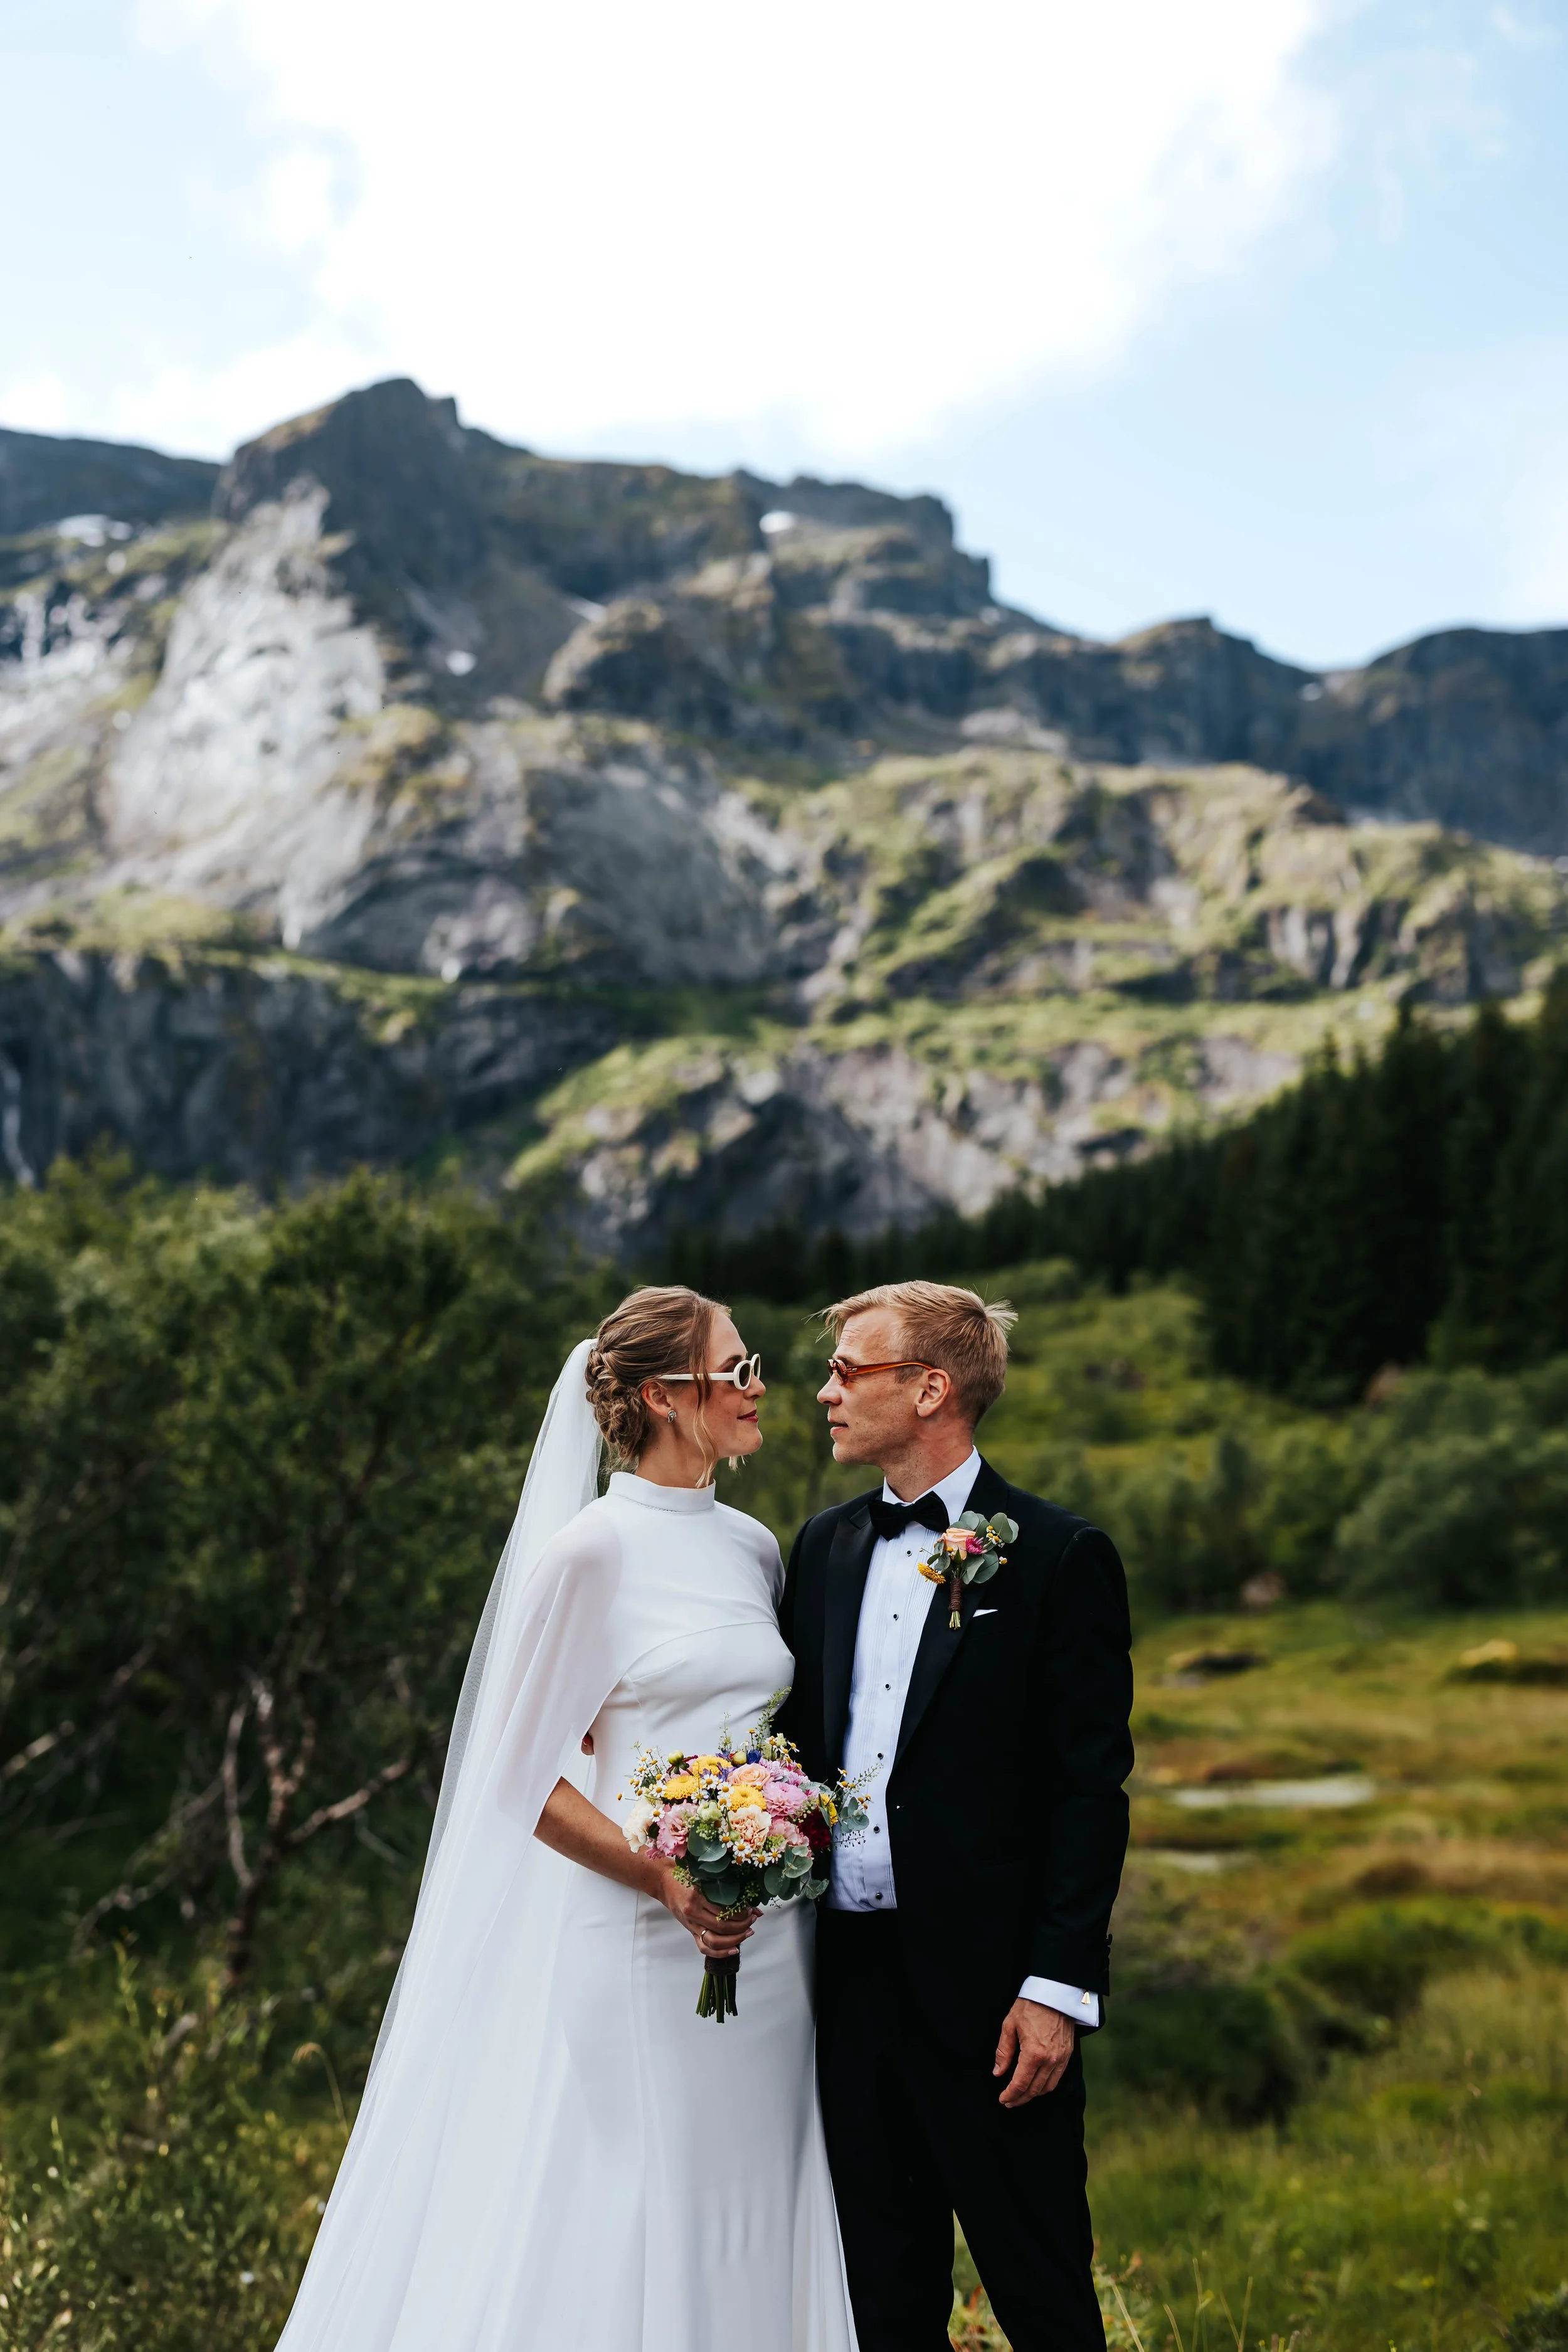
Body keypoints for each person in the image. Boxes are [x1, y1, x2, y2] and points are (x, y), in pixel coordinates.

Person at [275, 1286, 857, 2352]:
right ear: (663, 1396)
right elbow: (518, 1775)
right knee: (654, 2197)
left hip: (768, 1948)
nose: (759, 1385)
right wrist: (663, 1876)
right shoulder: (590, 1554)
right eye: (736, 1369)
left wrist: (761, 1842)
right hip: (641, 1935)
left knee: (765, 2186)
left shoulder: (755, 1547)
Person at [776, 1280, 1134, 2352]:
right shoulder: (824, 1546)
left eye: (850, 1369)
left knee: (1043, 2299)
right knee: (881, 2306)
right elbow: (796, 1748)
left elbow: (1090, 1788)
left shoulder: (1061, 1557)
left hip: (996, 2007)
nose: (826, 1390)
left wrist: (1056, 1990)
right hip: (847, 1990)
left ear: (932, 1388)